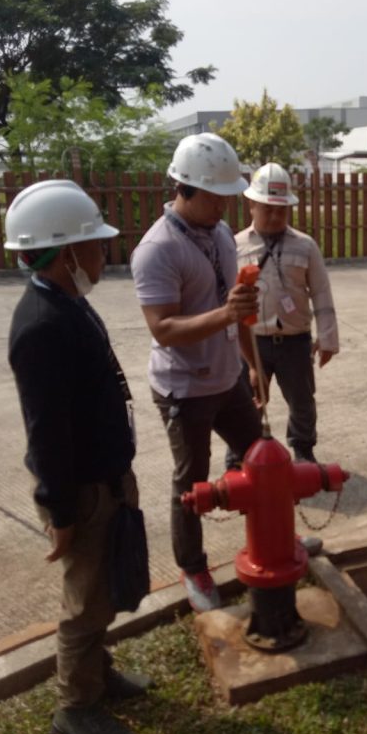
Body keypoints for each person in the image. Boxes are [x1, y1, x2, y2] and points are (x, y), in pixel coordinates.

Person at [5, 180, 150, 734]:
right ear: (68, 253)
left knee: (106, 587)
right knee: (84, 601)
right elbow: (46, 433)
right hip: (80, 490)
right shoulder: (40, 326)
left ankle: (97, 672)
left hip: (105, 476)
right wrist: (60, 513)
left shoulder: (69, 303)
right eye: (95, 243)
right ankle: (75, 705)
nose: (104, 253)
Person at [130, 133, 263, 614]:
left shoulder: (222, 234)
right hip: (184, 388)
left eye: (228, 196)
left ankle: (270, 539)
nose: (224, 206)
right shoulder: (157, 250)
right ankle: (193, 567)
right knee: (192, 483)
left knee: (263, 461)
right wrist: (227, 314)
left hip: (227, 378)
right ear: (184, 188)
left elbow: (236, 305)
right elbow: (163, 329)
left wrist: (252, 364)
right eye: (215, 196)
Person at [234, 163, 339, 463]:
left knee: (302, 402)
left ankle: (303, 452)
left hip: (295, 341)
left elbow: (321, 293)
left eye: (281, 210)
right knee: (248, 403)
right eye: (268, 208)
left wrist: (328, 339)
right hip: (252, 342)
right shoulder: (235, 245)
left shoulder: (305, 246)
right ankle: (241, 456)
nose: (275, 216)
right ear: (252, 205)